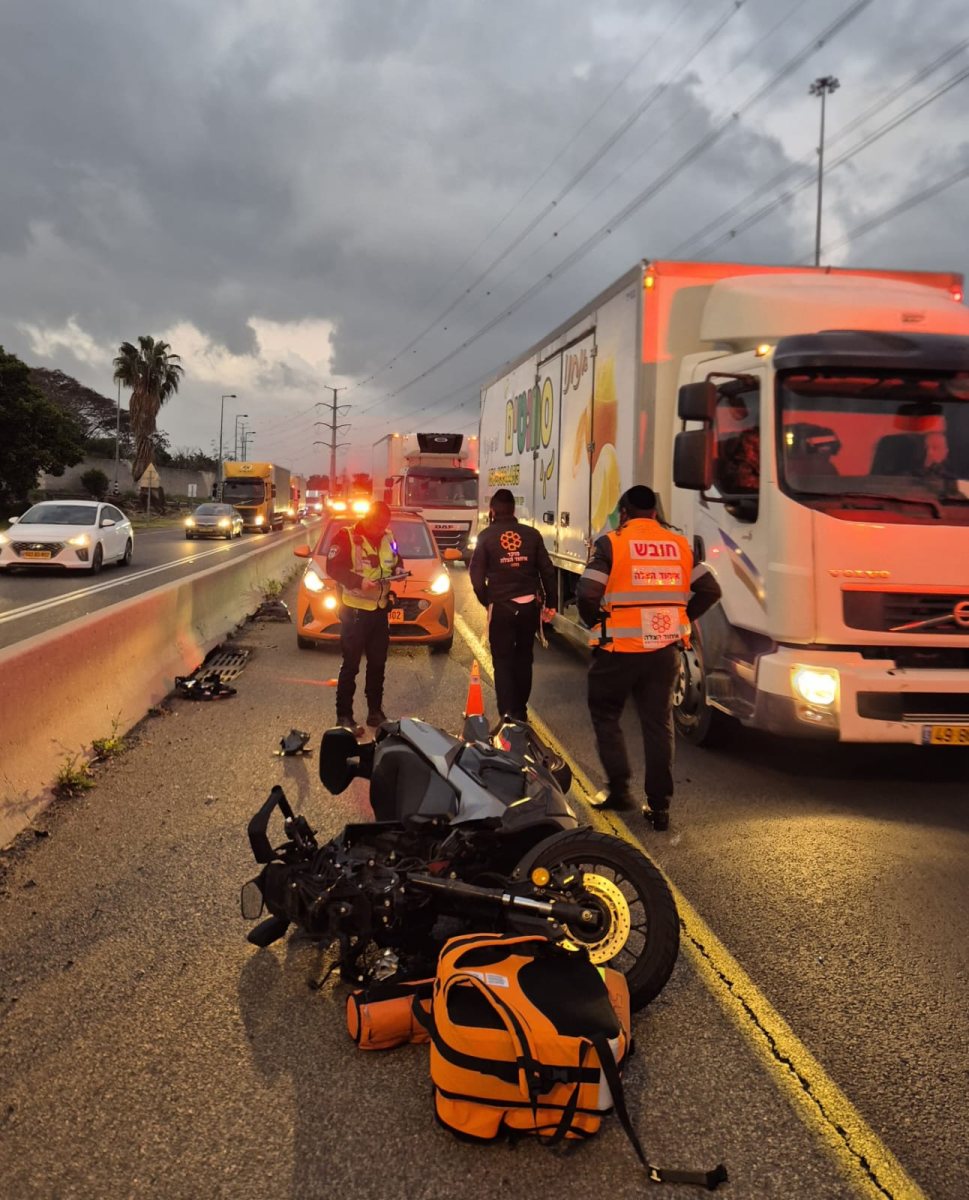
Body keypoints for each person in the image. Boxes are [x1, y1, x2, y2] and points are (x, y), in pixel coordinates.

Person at [576, 485, 721, 830]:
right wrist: (682, 616)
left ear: (624, 512)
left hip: (618, 652)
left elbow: (588, 591)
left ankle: (620, 789)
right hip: (663, 650)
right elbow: (710, 589)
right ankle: (660, 807)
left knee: (606, 715)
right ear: (655, 513)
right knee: (658, 725)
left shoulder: (612, 543)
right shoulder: (679, 545)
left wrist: (595, 621)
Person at [469, 488, 556, 721]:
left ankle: (508, 714)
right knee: (524, 658)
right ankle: (521, 709)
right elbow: (547, 571)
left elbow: (476, 576)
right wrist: (552, 603)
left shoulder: (486, 537)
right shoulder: (532, 535)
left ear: (492, 510)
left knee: (503, 661)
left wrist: (487, 599)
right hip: (529, 607)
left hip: (502, 607)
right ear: (513, 510)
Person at [325, 500, 403, 735]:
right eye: (378, 525)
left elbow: (397, 558)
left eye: (384, 525)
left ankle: (375, 712)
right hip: (355, 611)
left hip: (379, 610)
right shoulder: (345, 536)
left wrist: (400, 570)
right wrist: (359, 582)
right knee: (351, 665)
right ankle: (344, 716)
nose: (381, 529)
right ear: (368, 520)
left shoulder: (389, 537)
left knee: (378, 664)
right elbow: (332, 568)